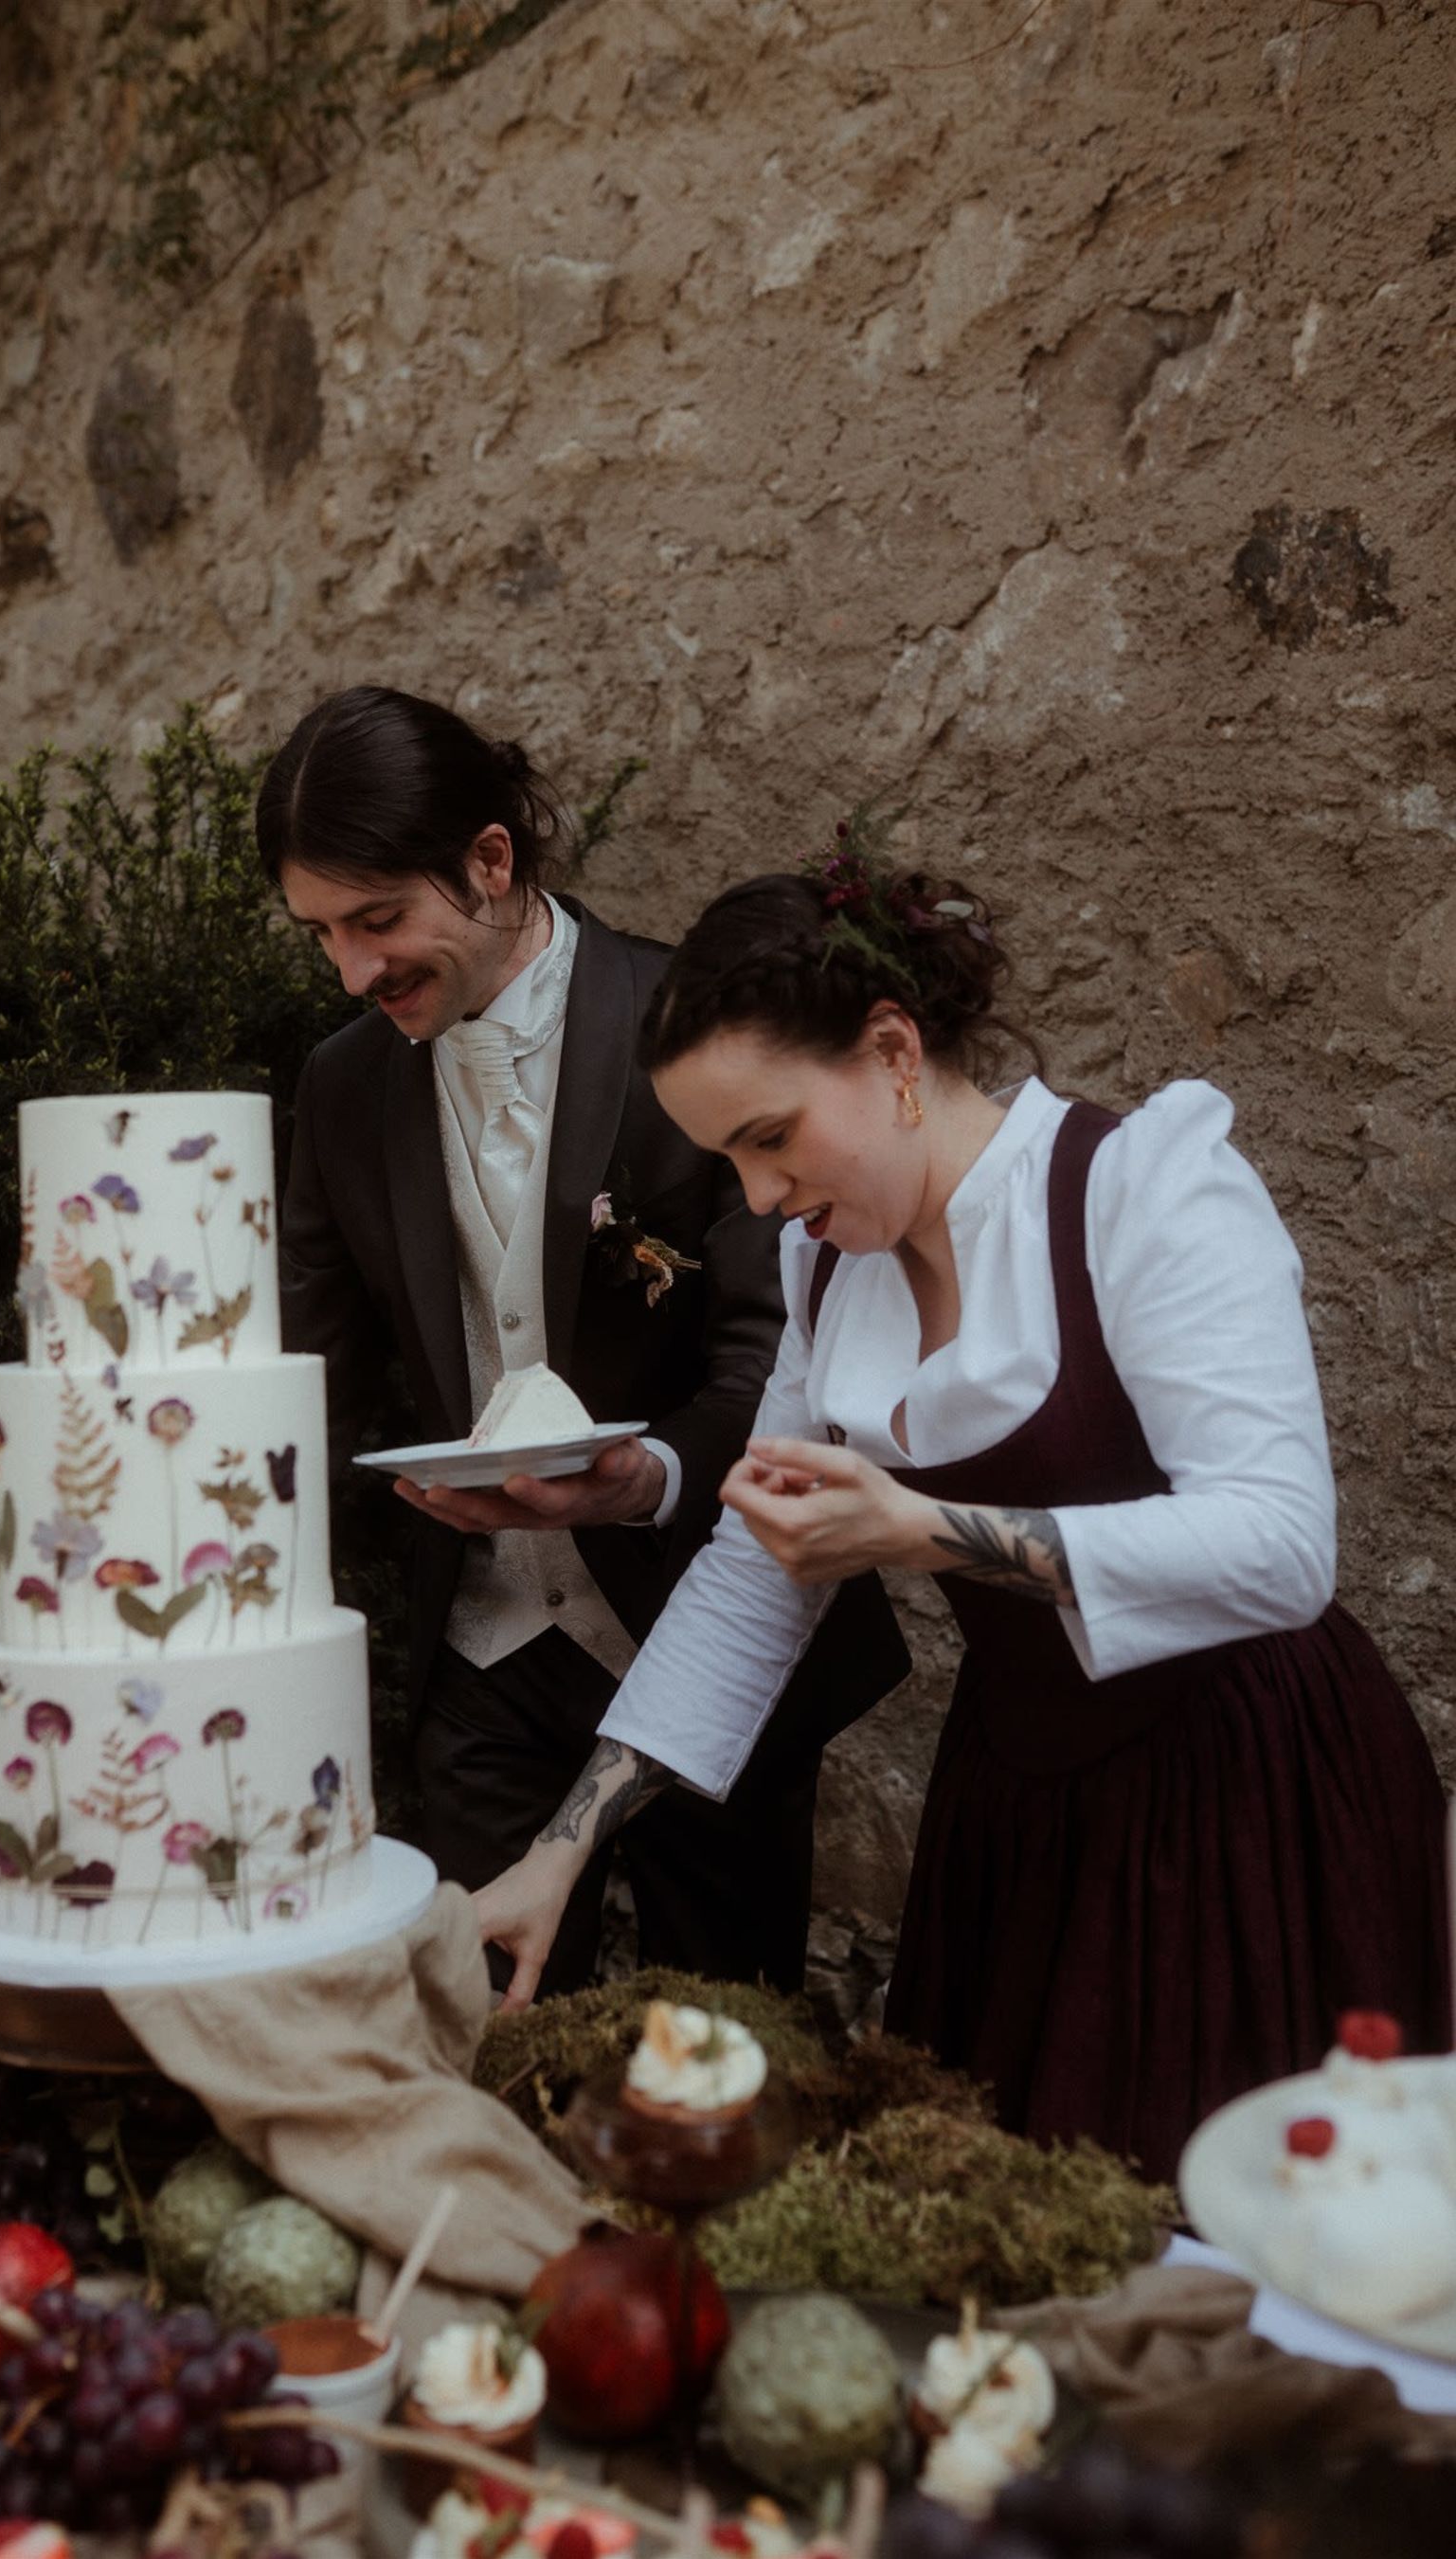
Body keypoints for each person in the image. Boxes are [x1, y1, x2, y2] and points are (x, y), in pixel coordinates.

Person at [474, 843, 1451, 2179]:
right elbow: (753, 1576)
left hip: (1240, 1792)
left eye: (770, 1138)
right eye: (729, 1159)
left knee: (1240, 2217)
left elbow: (1282, 1547)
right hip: (1019, 1813)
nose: (758, 1198)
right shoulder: (829, 1273)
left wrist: (922, 1531)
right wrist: (562, 1853)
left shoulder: (1142, 1188)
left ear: (893, 1051)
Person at [261, 689, 907, 1995]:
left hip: (703, 1623)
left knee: (721, 2041)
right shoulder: (341, 1085)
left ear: (491, 860)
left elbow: (775, 1348)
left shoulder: (694, 1031)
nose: (351, 972)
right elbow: (307, 1385)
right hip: (482, 1657)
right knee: (484, 2031)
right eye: (320, 933)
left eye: (377, 920)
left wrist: (645, 1476)